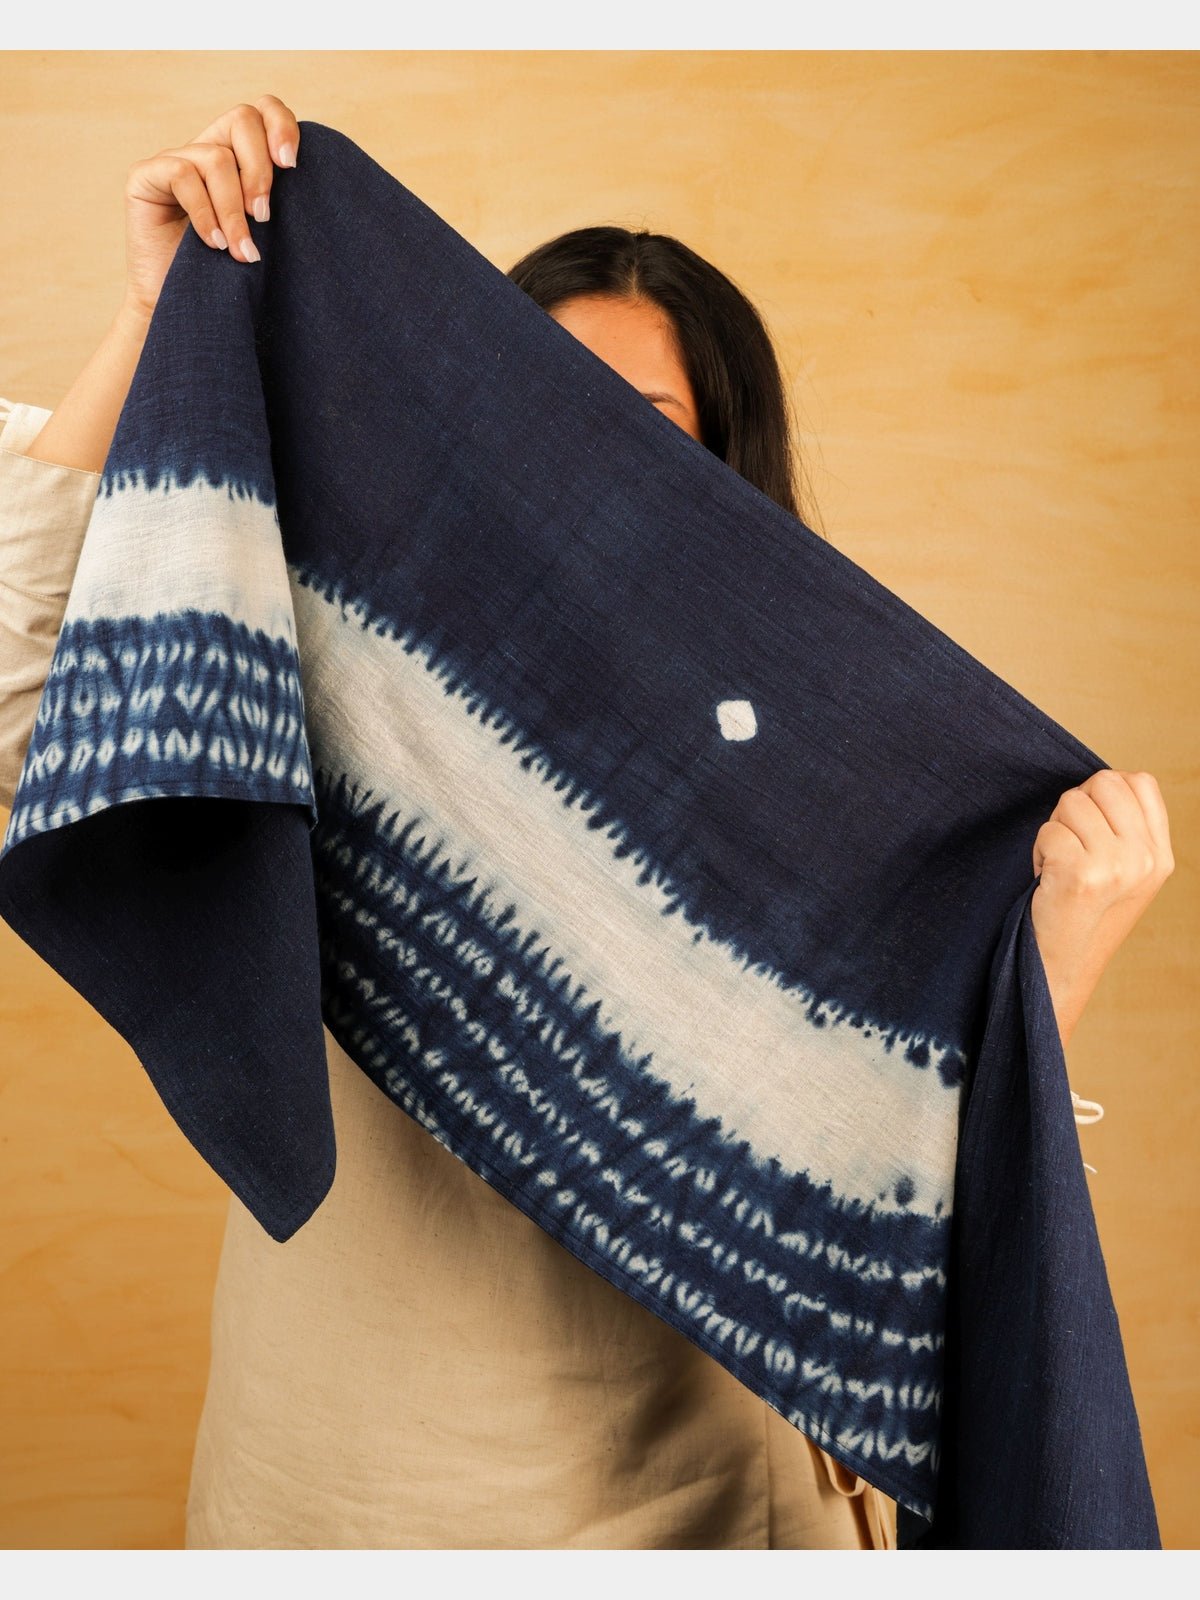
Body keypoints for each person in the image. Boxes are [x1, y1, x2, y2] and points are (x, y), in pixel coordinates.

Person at [0, 95, 1173, 1552]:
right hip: (352, 1506)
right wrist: (154, 320)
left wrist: (1049, 967)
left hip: (708, 1514)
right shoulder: (351, 683)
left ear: (723, 479)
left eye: (644, 433)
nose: (591, 472)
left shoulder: (812, 775)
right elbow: (35, 720)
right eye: (545, 411)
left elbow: (889, 1235)